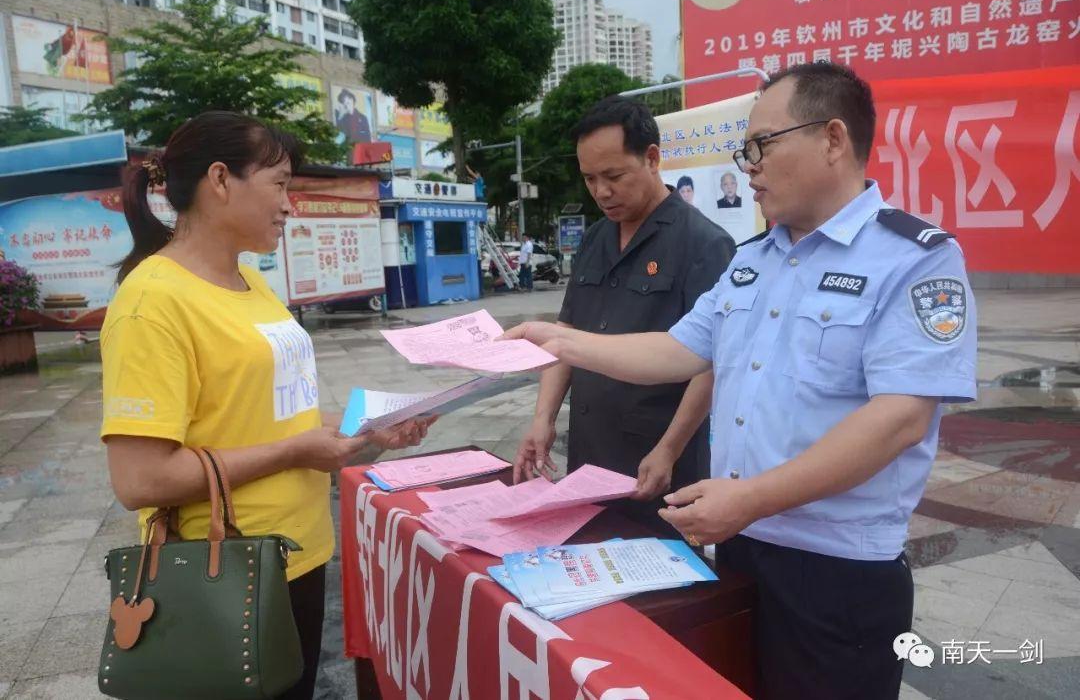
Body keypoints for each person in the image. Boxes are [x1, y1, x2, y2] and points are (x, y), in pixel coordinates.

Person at [503, 63, 976, 699]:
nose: (747, 165)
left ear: (833, 139)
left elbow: (900, 418)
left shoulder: (914, 258)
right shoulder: (755, 259)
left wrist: (749, 498)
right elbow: (677, 350)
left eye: (761, 145)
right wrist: (559, 339)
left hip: (836, 573)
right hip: (743, 547)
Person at [100, 111, 432, 700]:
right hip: (221, 571)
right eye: (279, 184)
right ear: (221, 180)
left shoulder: (249, 281)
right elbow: (141, 478)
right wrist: (294, 452)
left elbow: (277, 413)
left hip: (294, 556)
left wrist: (374, 424)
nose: (289, 204)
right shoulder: (151, 302)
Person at [513, 95, 735, 531]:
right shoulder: (596, 238)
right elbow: (568, 331)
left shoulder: (704, 244)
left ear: (652, 158)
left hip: (657, 459)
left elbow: (712, 363)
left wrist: (669, 449)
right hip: (589, 451)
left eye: (614, 176)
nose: (601, 192)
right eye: (590, 178)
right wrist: (543, 420)